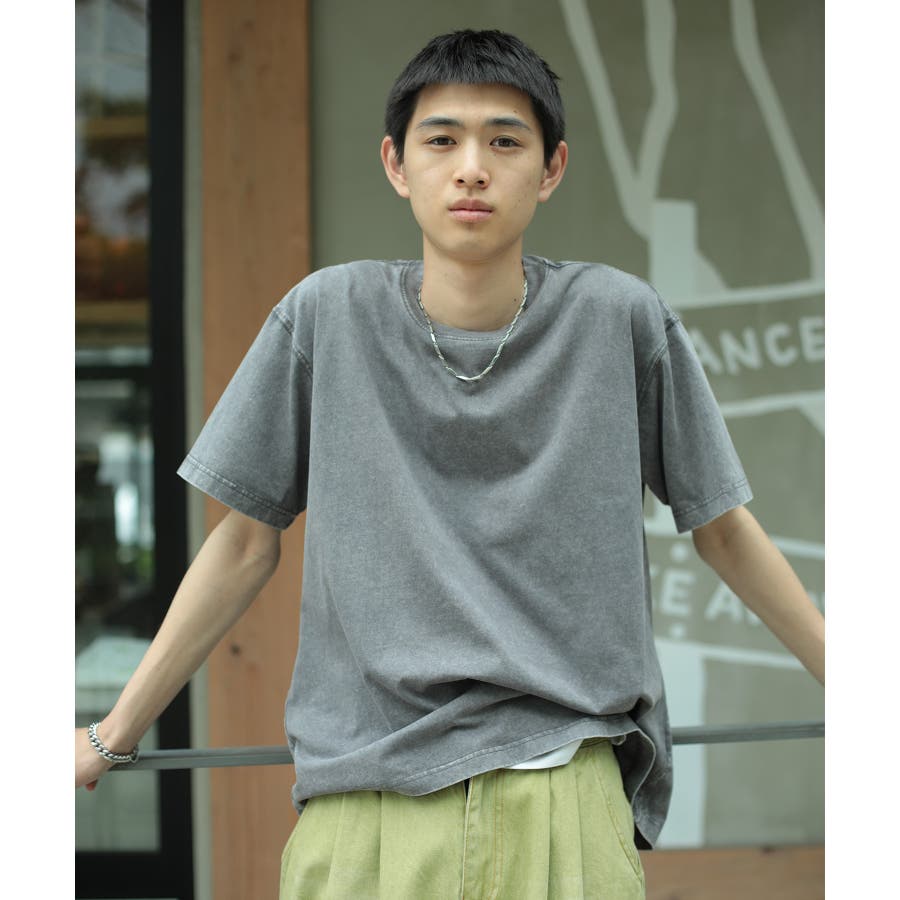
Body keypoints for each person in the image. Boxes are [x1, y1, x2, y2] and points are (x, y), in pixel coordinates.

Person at [76, 29, 825, 899]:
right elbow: (243, 545)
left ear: (551, 169)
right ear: (396, 164)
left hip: (564, 788)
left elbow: (723, 529)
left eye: (505, 141)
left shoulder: (619, 318)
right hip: (364, 801)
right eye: (442, 140)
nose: (472, 169)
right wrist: (111, 735)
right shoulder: (325, 316)